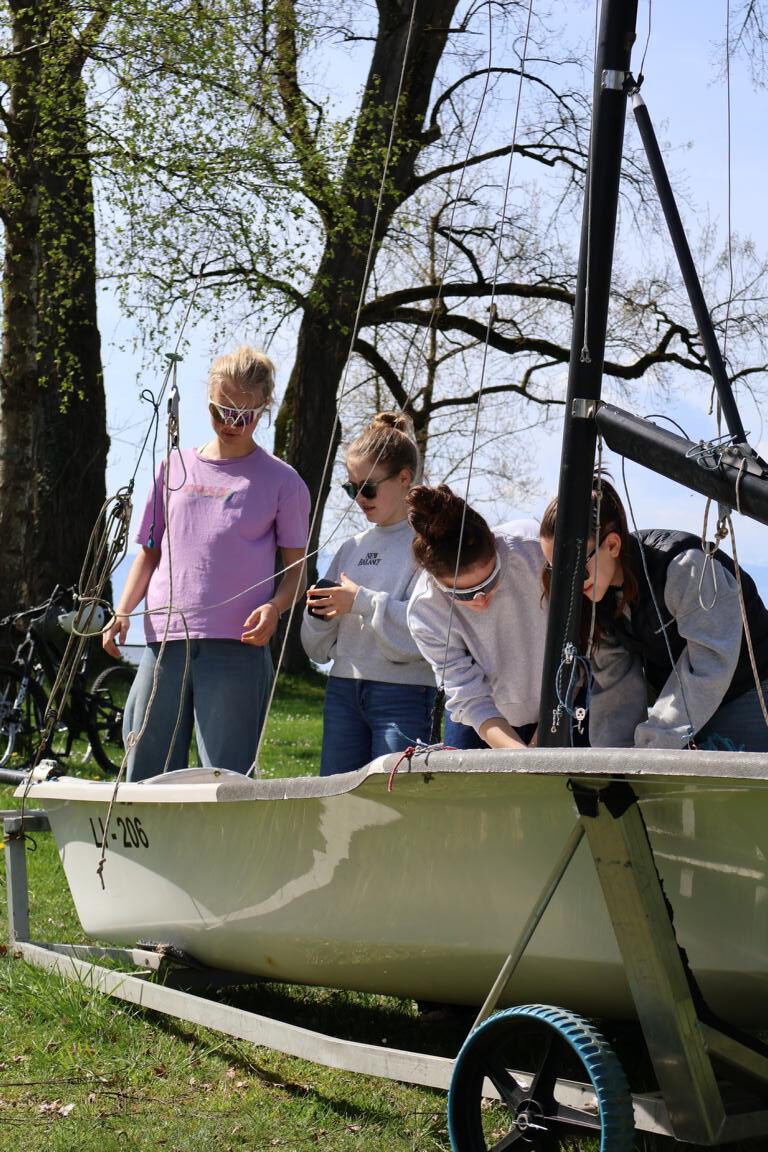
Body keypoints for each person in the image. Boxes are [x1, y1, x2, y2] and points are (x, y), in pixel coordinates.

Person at [103, 346, 310, 779]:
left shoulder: (283, 481)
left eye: (245, 415)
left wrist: (275, 607)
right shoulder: (172, 467)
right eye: (221, 411)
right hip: (163, 641)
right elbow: (149, 552)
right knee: (145, 768)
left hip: (239, 644)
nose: (231, 423)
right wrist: (122, 611)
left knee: (225, 777)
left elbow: (296, 572)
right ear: (208, 401)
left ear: (264, 408)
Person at [539, 476, 768, 750]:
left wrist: (653, 747)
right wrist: (615, 763)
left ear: (612, 545)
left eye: (578, 570)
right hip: (684, 701)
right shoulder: (598, 599)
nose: (572, 585)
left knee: (737, 776)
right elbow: (616, 688)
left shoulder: (685, 568)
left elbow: (709, 665)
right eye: (558, 573)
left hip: (749, 687)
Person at [301, 412, 437, 775]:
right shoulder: (351, 548)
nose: (359, 498)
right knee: (336, 795)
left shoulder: (428, 546)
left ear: (405, 478)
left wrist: (359, 602)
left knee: (393, 799)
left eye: (368, 488)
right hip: (343, 690)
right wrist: (318, 617)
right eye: (351, 489)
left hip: (404, 694)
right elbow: (316, 649)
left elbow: (424, 635)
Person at [406, 484, 547, 749]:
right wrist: (522, 757)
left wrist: (543, 739)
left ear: (494, 542)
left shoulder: (535, 550)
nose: (480, 599)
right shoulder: (425, 609)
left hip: (563, 700)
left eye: (489, 581)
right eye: (462, 593)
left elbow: (579, 640)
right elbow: (468, 697)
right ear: (435, 580)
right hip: (482, 716)